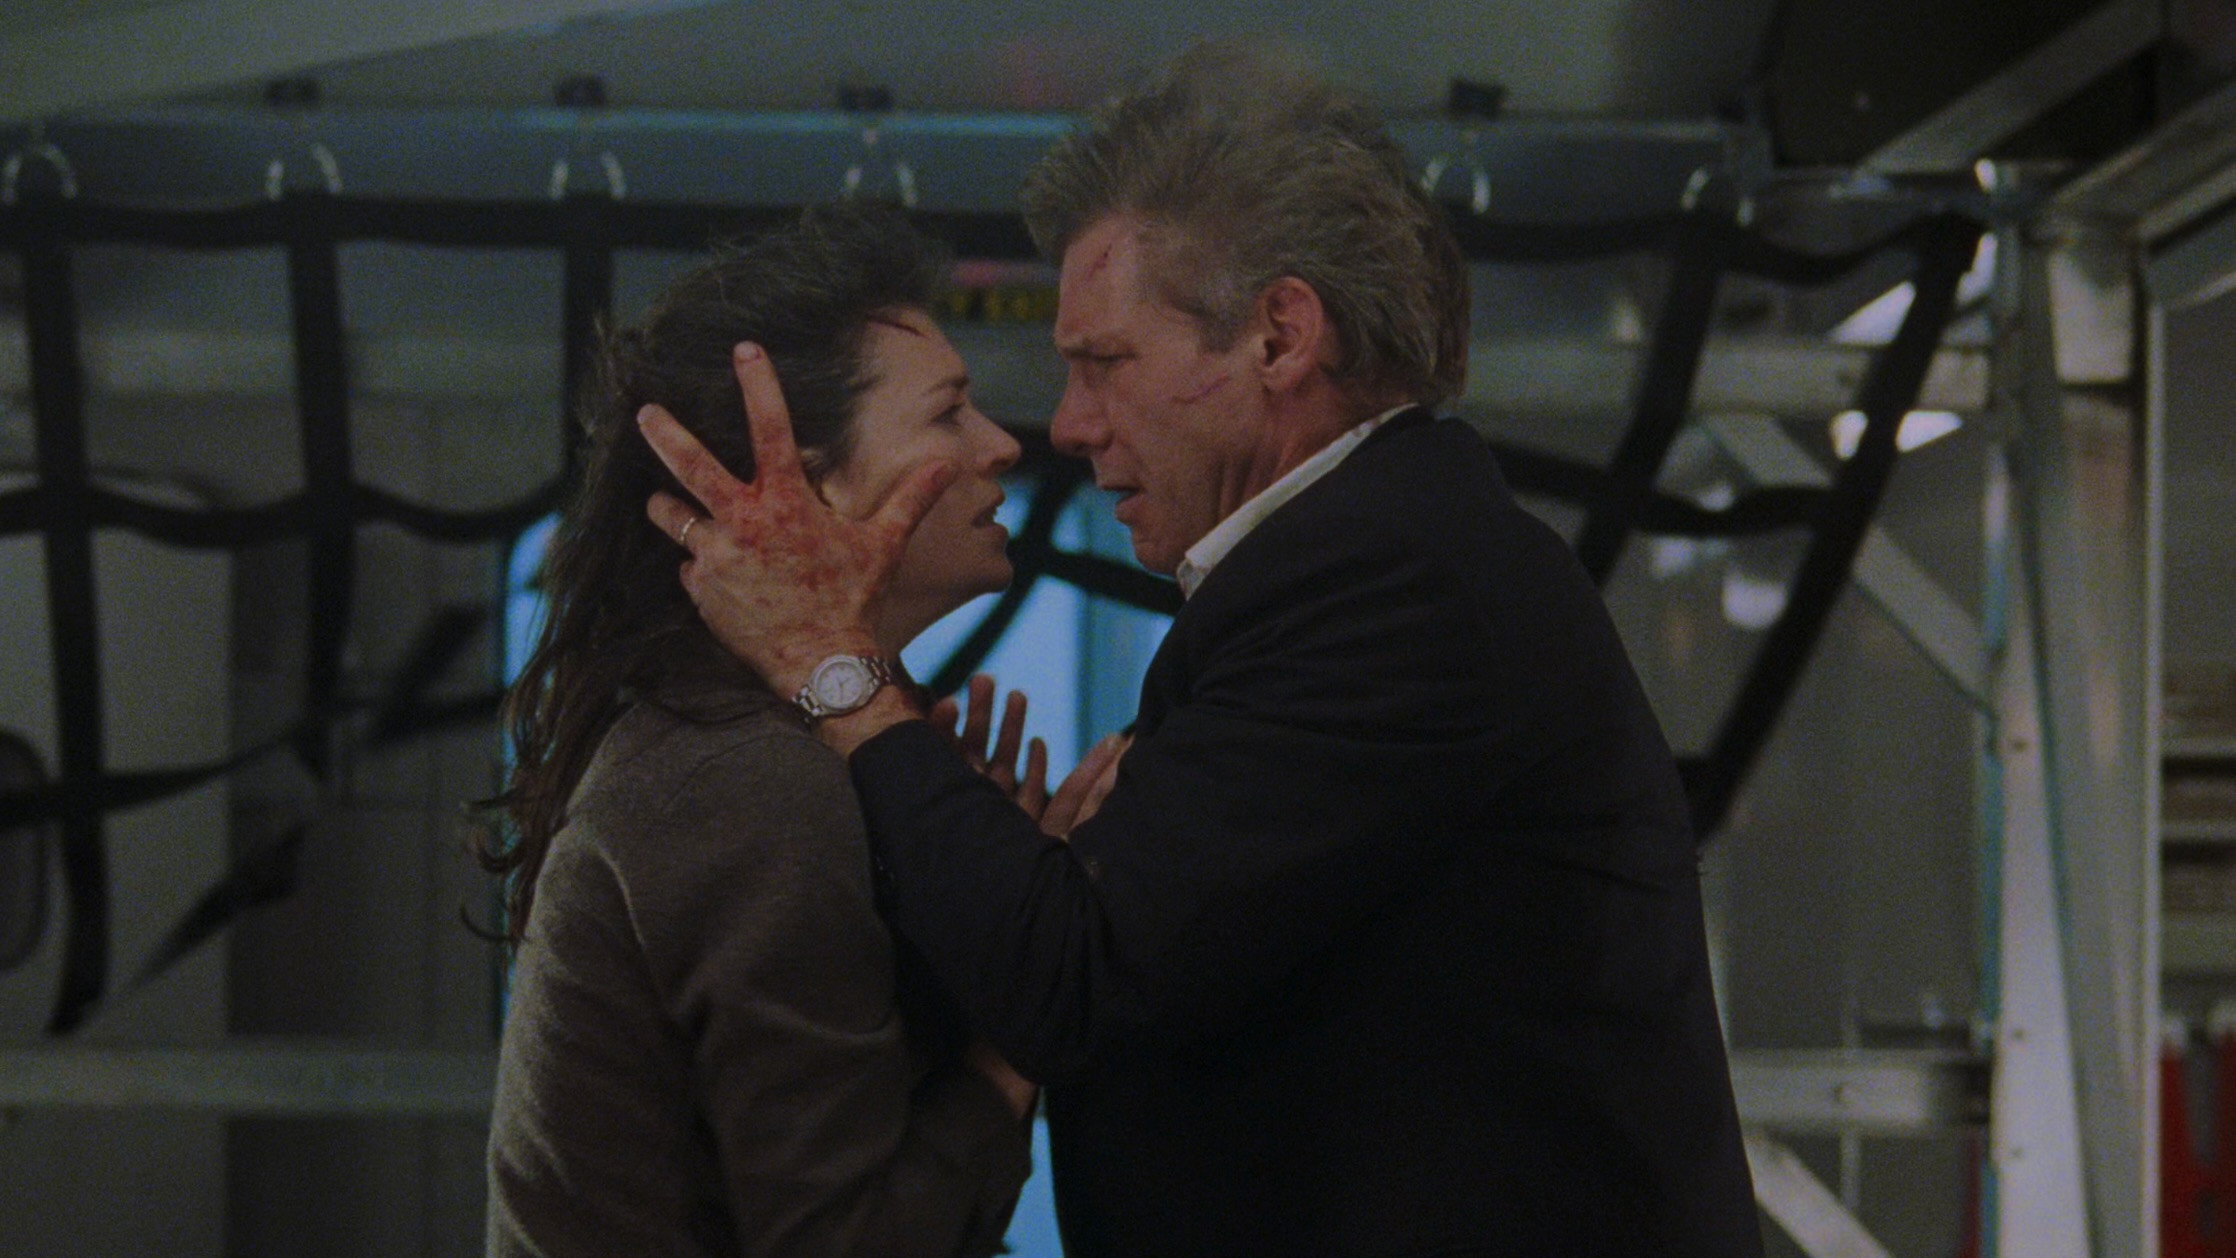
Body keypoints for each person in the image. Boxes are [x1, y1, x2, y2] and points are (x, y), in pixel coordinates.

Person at [638, 44, 1762, 1258]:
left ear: (1279, 336)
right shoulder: (1379, 558)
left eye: (1102, 363)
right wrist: (1004, 871)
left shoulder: (1392, 579)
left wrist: (832, 665)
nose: (1065, 426)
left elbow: (1079, 982)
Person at [483, 205, 1069, 1257]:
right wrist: (1012, 1037)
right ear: (801, 488)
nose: (1001, 445)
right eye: (949, 413)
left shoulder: (746, 745)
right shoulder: (752, 778)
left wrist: (962, 914)